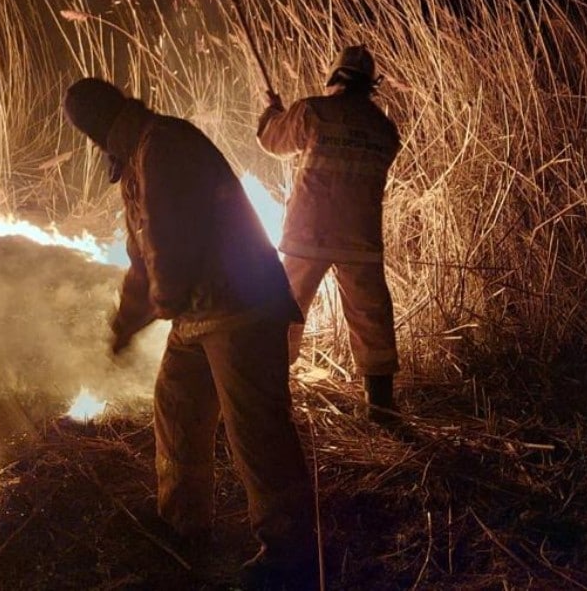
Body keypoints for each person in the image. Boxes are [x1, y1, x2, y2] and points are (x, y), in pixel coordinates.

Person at [63, 77, 318, 589]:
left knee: (256, 429)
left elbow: (167, 242)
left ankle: (291, 552)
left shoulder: (162, 146)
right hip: (201, 314)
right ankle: (183, 525)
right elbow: (142, 258)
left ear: (99, 129)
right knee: (176, 402)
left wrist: (164, 300)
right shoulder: (136, 157)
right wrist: (123, 326)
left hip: (241, 305)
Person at [256, 45, 402, 422]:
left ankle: (271, 397)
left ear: (335, 76)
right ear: (371, 84)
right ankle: (381, 407)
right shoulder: (385, 130)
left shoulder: (313, 111)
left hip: (309, 233)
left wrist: (272, 113)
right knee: (372, 317)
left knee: (283, 309)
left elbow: (273, 141)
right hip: (360, 240)